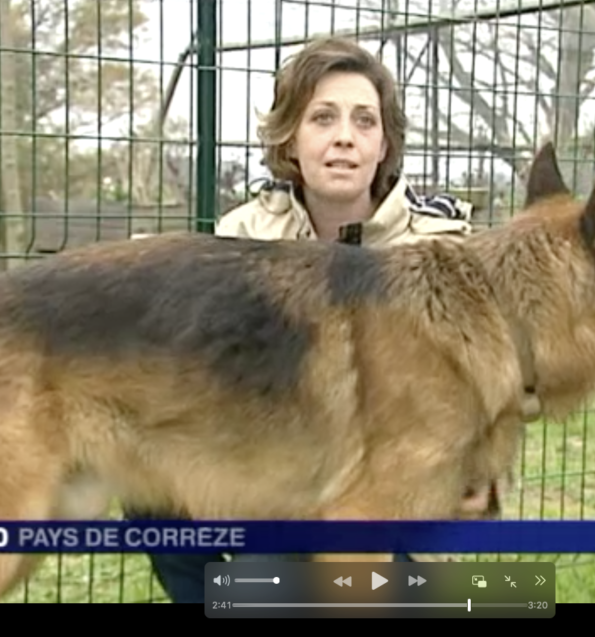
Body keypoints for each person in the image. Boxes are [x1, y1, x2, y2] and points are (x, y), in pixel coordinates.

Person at [124, 36, 494, 604]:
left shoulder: (443, 248)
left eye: (364, 120)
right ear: (291, 139)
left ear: (384, 143)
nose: (344, 136)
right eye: (323, 117)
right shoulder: (242, 236)